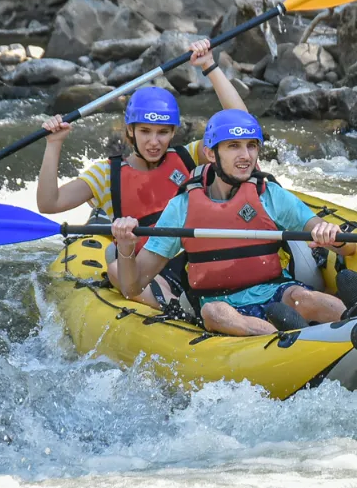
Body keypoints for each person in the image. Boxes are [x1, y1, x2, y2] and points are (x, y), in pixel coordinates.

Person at [35, 39, 247, 308]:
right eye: (145, 131)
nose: (154, 142)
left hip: (199, 258)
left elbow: (241, 126)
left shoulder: (189, 157)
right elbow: (49, 203)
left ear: (173, 133)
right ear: (130, 132)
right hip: (149, 270)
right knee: (115, 270)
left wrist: (209, 66)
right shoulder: (107, 174)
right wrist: (54, 144)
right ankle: (178, 308)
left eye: (162, 132)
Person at [110, 109, 357, 336]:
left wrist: (332, 236)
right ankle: (282, 338)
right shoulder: (182, 206)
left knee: (306, 298)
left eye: (252, 146)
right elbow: (133, 287)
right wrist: (125, 246)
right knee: (215, 314)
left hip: (274, 291)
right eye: (233, 146)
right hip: (217, 302)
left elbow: (347, 248)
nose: (246, 156)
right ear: (210, 153)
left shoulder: (270, 194)